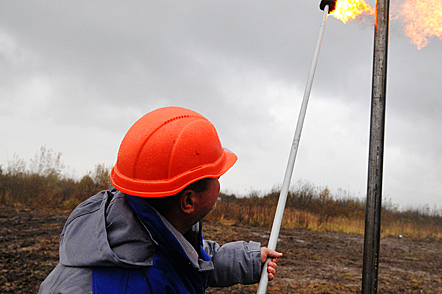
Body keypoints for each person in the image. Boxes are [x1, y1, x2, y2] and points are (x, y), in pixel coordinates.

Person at [39, 106, 282, 294]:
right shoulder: (129, 285)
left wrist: (247, 259)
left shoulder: (139, 224)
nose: (220, 182)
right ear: (188, 202)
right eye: (215, 176)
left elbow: (186, 260)